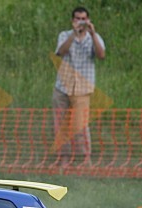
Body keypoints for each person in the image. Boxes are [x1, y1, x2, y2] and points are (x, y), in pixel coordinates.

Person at [52, 6, 105, 165]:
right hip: (63, 85)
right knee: (60, 123)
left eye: (83, 19)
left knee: (81, 124)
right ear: (72, 20)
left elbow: (101, 55)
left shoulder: (94, 37)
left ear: (88, 20)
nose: (80, 22)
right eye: (77, 19)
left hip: (82, 88)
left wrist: (93, 33)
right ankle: (64, 157)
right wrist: (74, 35)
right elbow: (60, 52)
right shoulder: (64, 35)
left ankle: (85, 158)